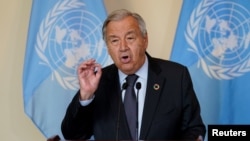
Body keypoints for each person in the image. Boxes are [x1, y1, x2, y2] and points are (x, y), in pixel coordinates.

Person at [61, 9, 206, 140]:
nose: (123, 47)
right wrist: (86, 95)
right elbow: (73, 134)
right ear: (108, 47)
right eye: (115, 41)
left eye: (130, 38)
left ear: (145, 40)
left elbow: (193, 129)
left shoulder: (176, 77)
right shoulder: (98, 83)